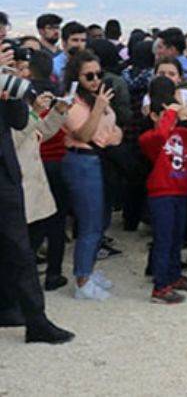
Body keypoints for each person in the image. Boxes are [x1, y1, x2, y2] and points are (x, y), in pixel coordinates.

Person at [0, 44, 74, 343]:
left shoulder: (5, 77)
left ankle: (32, 319)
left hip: (4, 174)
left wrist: (8, 80)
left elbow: (19, 121)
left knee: (18, 249)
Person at [61, 50, 122, 300]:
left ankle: (88, 270)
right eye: (89, 76)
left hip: (100, 160)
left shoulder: (98, 98)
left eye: (99, 74)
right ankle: (82, 279)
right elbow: (83, 135)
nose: (96, 79)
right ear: (77, 77)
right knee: (89, 222)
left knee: (99, 221)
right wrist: (98, 108)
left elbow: (114, 128)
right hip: (82, 162)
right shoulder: (73, 103)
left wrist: (113, 135)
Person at [139, 78, 187, 304]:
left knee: (177, 237)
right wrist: (170, 113)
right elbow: (160, 136)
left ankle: (174, 275)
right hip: (161, 194)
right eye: (164, 114)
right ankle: (160, 287)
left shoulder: (181, 133)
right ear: (154, 116)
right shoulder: (148, 138)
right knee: (164, 239)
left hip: (181, 190)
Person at [14, 89, 70, 294]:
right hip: (19, 185)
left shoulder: (18, 105)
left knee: (34, 236)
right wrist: (34, 113)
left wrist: (57, 112)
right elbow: (12, 140)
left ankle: (20, 290)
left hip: (34, 184)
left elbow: (40, 132)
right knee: (20, 246)